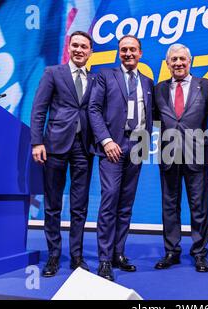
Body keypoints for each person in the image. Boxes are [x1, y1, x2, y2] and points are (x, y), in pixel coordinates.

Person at [88, 35, 154, 281]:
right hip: (112, 147)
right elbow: (93, 109)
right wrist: (106, 141)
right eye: (124, 49)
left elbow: (151, 115)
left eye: (133, 49)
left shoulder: (147, 81)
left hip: (137, 146)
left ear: (140, 53)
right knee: (110, 201)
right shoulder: (105, 76)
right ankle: (104, 259)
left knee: (126, 204)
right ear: (119, 52)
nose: (128, 53)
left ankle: (118, 254)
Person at [30, 31, 94, 277]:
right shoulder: (53, 73)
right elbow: (39, 109)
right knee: (53, 205)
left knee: (79, 206)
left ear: (90, 52)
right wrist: (37, 142)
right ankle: (53, 256)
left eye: (84, 47)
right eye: (75, 45)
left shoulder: (95, 78)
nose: (79, 50)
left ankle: (76, 256)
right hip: (55, 146)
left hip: (83, 148)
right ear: (69, 47)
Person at [154, 44, 208, 272]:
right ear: (167, 63)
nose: (178, 63)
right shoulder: (158, 89)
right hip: (168, 155)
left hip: (196, 155)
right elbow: (150, 118)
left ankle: (199, 253)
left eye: (182, 59)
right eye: (173, 60)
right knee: (169, 206)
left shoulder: (205, 87)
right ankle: (172, 251)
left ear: (190, 61)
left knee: (199, 206)